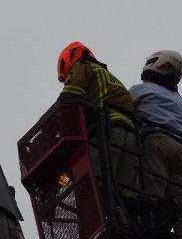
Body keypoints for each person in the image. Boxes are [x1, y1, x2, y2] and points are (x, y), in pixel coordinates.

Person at [56, 42, 139, 209]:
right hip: (132, 137)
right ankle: (128, 223)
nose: (68, 80)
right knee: (127, 192)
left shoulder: (81, 66)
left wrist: (53, 131)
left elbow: (70, 96)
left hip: (108, 131)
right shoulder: (109, 76)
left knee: (94, 184)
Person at [128, 50, 182, 234]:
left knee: (154, 186)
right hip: (180, 152)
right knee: (181, 199)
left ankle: (150, 226)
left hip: (155, 141)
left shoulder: (139, 90)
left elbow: (124, 112)